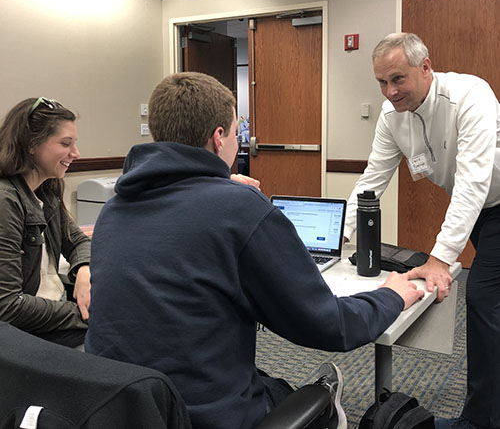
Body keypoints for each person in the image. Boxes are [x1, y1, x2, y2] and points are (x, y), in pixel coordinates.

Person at [85, 72, 423, 429]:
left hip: (122, 409)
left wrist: (212, 182)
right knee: (294, 394)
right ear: (219, 138)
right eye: (235, 131)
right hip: (202, 416)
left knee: (266, 379)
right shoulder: (239, 209)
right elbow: (331, 327)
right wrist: (391, 296)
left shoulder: (113, 210)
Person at [343, 33, 500, 429]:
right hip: (483, 211)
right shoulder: (391, 114)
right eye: (382, 82)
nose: (390, 91)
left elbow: (472, 183)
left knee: (483, 299)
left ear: (426, 67)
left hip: (495, 201)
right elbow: (371, 181)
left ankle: (483, 419)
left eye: (398, 79)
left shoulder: (470, 96)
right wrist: (336, 236)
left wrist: (440, 259)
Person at [0, 97, 91, 348]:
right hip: (27, 334)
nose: (76, 153)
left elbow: (78, 241)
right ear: (31, 145)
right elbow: (7, 305)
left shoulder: (45, 191)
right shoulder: (6, 200)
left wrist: (84, 269)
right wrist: (83, 315)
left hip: (51, 317)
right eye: (65, 144)